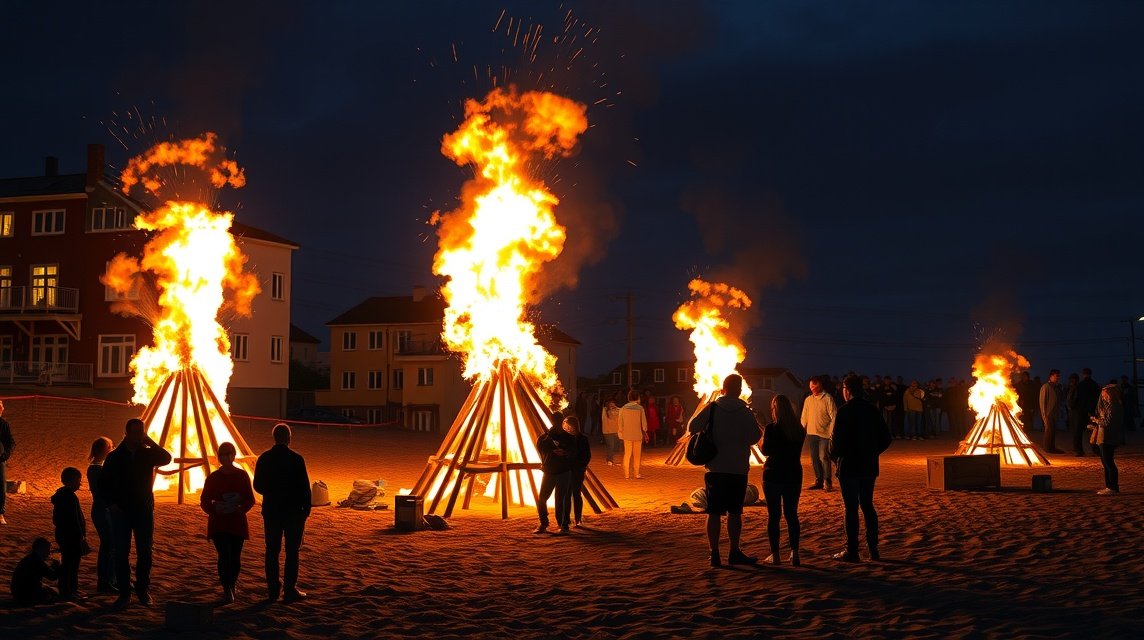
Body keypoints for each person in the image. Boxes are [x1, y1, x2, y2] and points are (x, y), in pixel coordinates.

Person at [688, 374, 764, 567]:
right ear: (740, 390)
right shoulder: (746, 412)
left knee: (713, 512)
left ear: (723, 388)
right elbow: (755, 437)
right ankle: (734, 551)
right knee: (735, 513)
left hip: (716, 468)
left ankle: (714, 553)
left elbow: (692, 426)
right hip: (738, 469)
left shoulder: (712, 408)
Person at [99, 417, 172, 607]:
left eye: (142, 432)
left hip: (143, 511)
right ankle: (125, 592)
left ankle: (142, 589)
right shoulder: (114, 457)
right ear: (127, 433)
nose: (140, 435)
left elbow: (166, 458)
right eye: (137, 432)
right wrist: (111, 504)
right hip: (121, 512)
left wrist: (149, 441)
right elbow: (104, 484)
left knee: (145, 552)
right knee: (122, 553)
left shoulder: (147, 454)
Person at [829, 374, 892, 563]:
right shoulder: (872, 410)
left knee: (851, 507)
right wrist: (872, 452)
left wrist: (835, 457)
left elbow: (836, 442)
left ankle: (852, 551)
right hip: (868, 465)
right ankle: (873, 549)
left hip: (849, 466)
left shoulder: (844, 411)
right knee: (867, 504)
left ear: (847, 390)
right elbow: (886, 438)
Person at [253, 423, 312, 603]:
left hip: (272, 512)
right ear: (289, 438)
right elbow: (305, 487)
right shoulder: (296, 459)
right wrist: (306, 510)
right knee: (292, 551)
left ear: (274, 438)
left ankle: (272, 590)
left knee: (272, 551)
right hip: (293, 512)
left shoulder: (264, 458)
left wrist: (272, 492)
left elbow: (257, 486)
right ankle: (289, 589)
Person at [200, 442, 255, 604]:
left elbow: (249, 499)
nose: (225, 457)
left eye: (228, 453)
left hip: (236, 521)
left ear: (233, 455)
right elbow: (204, 500)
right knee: (224, 555)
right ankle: (226, 587)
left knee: (235, 557)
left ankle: (232, 584)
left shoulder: (242, 475)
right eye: (222, 454)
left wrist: (240, 508)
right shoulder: (213, 478)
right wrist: (215, 508)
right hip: (219, 522)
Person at [761, 395, 806, 566]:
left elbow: (766, 451)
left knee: (774, 516)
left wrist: (762, 441)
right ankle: (794, 552)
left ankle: (776, 554)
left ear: (775, 409)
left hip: (773, 474)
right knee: (791, 514)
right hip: (793, 474)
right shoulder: (799, 429)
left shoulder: (771, 428)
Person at [534, 417, 577, 534]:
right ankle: (544, 522)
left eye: (558, 422)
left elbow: (574, 453)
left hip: (563, 472)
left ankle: (563, 526)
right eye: (554, 422)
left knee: (561, 500)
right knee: (542, 498)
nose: (556, 424)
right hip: (549, 472)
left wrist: (565, 453)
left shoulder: (569, 438)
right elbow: (541, 450)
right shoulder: (544, 438)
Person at [51, 466, 88, 601]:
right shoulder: (69, 497)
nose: (80, 484)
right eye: (78, 481)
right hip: (71, 537)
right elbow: (73, 519)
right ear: (72, 481)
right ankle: (68, 590)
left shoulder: (63, 496)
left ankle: (71, 589)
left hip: (64, 535)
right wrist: (80, 536)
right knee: (71, 565)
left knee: (70, 564)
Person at [87, 436, 115, 593]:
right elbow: (100, 492)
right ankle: (105, 582)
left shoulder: (98, 467)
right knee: (108, 546)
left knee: (111, 546)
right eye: (109, 447)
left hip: (104, 509)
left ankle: (109, 580)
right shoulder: (96, 469)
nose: (111, 450)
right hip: (102, 510)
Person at [800, 375, 837, 491]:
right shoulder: (808, 400)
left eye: (814, 385)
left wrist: (831, 431)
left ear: (820, 385)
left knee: (824, 457)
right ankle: (819, 480)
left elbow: (834, 416)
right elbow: (804, 416)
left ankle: (827, 481)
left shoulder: (828, 398)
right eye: (810, 385)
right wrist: (801, 430)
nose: (812, 388)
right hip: (811, 433)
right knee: (814, 458)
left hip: (824, 434)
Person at [1090, 384, 1126, 495]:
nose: (1103, 396)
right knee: (1106, 463)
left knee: (1108, 462)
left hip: (1108, 438)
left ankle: (1113, 487)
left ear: (1110, 394)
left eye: (1105, 394)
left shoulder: (1114, 406)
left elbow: (1108, 422)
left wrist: (1097, 421)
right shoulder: (1109, 405)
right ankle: (1109, 486)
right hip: (1104, 437)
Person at [10, 538, 60, 605]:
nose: (49, 553)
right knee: (55, 594)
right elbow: (52, 576)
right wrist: (58, 566)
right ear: (41, 549)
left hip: (18, 594)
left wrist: (54, 566)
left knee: (50, 590)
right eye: (47, 550)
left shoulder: (30, 558)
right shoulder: (36, 561)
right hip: (27, 596)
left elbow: (48, 572)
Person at [563, 416, 591, 528]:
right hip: (566, 470)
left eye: (567, 425)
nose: (565, 427)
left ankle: (578, 518)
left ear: (573, 426)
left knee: (576, 493)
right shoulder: (565, 438)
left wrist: (581, 466)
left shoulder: (582, 439)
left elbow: (587, 455)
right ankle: (566, 518)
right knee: (566, 494)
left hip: (577, 471)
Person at [618, 390, 649, 479]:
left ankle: (626, 474)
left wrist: (620, 431)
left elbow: (620, 422)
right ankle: (636, 473)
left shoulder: (623, 408)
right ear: (637, 398)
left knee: (627, 454)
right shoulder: (640, 408)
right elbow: (644, 423)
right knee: (637, 455)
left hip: (626, 434)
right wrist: (645, 432)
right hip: (637, 434)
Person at [1074, 368, 1101, 456]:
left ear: (1083, 374)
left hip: (1081, 411)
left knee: (1079, 431)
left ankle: (1079, 450)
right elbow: (1097, 399)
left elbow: (1076, 398)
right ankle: (1096, 449)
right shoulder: (1094, 385)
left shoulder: (1080, 385)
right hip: (1092, 412)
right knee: (1093, 431)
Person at [1039, 370, 1063, 453]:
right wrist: (1044, 415)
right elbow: (1042, 402)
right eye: (1056, 376)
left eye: (1058, 376)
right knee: (1048, 430)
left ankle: (1052, 448)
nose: (1058, 378)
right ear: (1051, 376)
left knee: (1052, 431)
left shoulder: (1056, 387)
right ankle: (1047, 449)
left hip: (1054, 413)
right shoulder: (1046, 387)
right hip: (1048, 413)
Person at [0, 398, 15, 525]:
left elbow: (10, 442)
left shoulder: (3, 424)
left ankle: (0, 513)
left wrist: (5, 455)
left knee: (0, 486)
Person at [600, 399, 621, 465]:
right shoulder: (605, 410)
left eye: (613, 403)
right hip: (608, 431)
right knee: (610, 446)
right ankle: (609, 460)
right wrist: (611, 409)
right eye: (610, 404)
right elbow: (606, 418)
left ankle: (615, 459)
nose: (612, 405)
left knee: (617, 446)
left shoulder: (618, 410)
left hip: (616, 430)